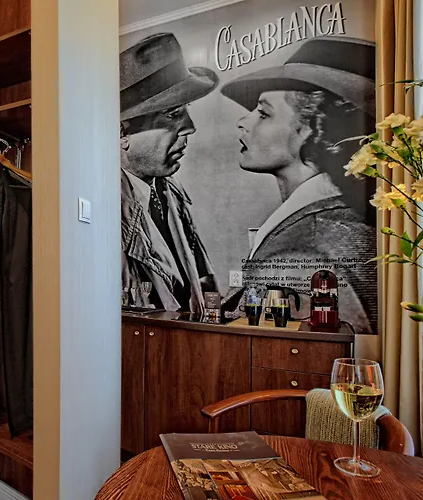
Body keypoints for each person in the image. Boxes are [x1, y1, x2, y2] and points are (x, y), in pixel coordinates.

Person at [221, 37, 377, 333]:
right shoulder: (345, 219)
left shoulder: (305, 246)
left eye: (264, 113)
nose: (243, 121)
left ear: (312, 129)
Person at [120, 33, 219, 315]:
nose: (190, 127)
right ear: (122, 132)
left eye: (186, 112)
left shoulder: (170, 193)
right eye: (173, 114)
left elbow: (199, 279)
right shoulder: (102, 211)